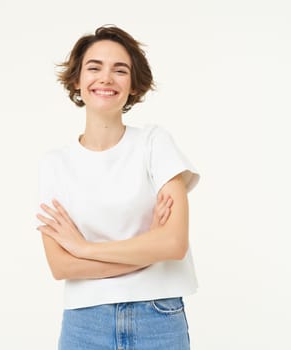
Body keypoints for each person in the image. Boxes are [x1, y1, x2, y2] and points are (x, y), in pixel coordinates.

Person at [36, 25, 200, 350]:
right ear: (76, 80)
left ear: (134, 85)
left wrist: (85, 249)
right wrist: (145, 247)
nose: (106, 78)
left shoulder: (155, 144)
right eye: (94, 67)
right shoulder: (55, 163)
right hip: (85, 323)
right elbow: (61, 266)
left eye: (120, 70)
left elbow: (173, 243)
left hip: (158, 318)